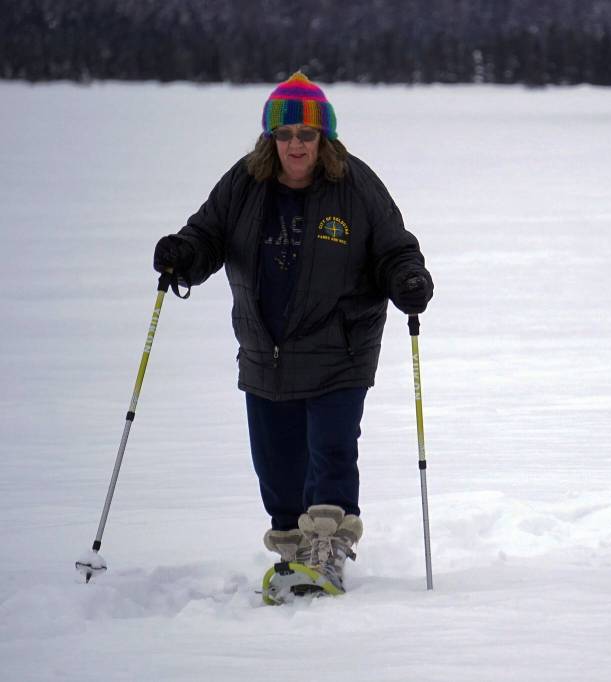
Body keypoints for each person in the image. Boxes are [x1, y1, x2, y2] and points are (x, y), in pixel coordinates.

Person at [152, 72, 433, 589]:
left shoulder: (356, 186)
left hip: (340, 347)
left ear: (323, 139)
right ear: (271, 139)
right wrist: (182, 256)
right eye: (285, 135)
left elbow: (394, 248)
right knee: (277, 468)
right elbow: (207, 235)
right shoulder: (243, 183)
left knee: (330, 452)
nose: (296, 145)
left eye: (306, 135)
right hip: (266, 351)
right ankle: (292, 551)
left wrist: (407, 279)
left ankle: (327, 549)